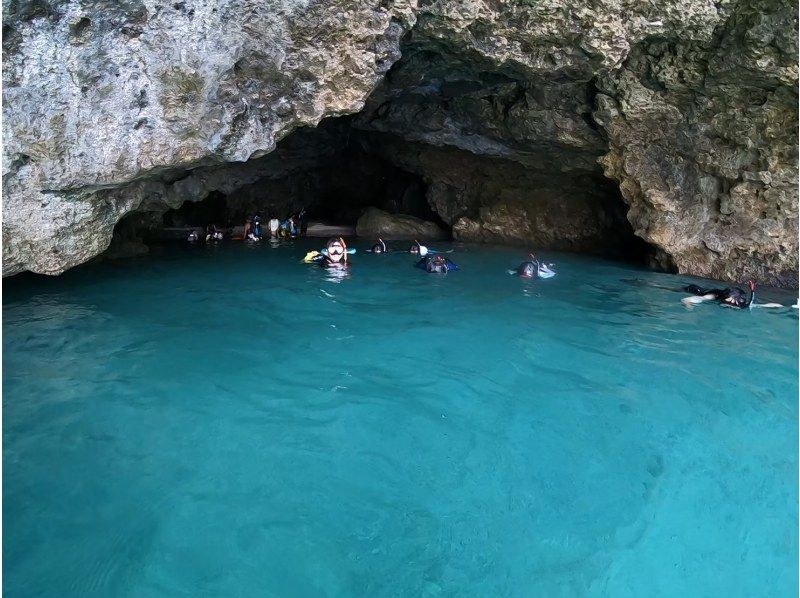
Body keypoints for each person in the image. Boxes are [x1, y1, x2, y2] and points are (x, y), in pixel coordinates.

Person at [681, 280, 782, 308]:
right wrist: (688, 303)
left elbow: (762, 305)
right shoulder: (714, 296)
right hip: (693, 289)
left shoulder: (740, 301)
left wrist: (786, 307)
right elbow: (693, 299)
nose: (729, 304)